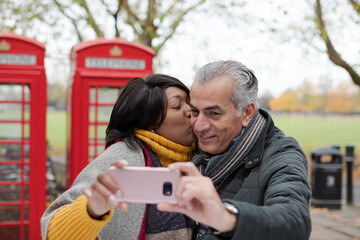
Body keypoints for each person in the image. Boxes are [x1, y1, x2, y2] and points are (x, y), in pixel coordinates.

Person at [157, 60, 312, 240]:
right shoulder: (190, 149)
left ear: (247, 113)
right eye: (195, 112)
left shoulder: (282, 154)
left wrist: (226, 218)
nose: (199, 126)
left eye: (214, 114)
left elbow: (294, 223)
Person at [41, 74, 196, 240]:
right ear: (148, 121)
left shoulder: (202, 158)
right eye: (177, 106)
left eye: (189, 102)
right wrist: (90, 211)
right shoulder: (123, 157)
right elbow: (54, 234)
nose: (190, 111)